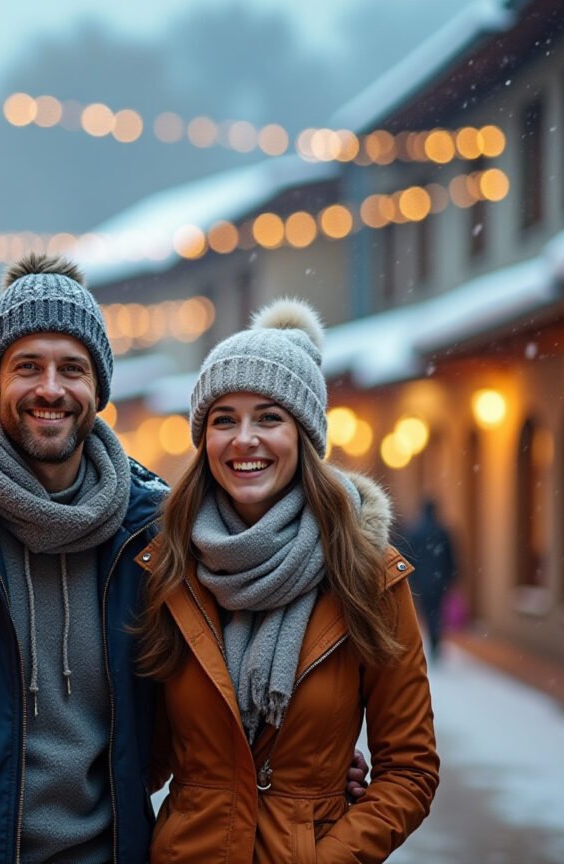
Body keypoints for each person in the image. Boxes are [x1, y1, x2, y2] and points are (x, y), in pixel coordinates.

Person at [0, 254, 369, 862]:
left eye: (72, 368)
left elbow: (204, 699)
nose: (51, 388)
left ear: (98, 390)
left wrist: (303, 755)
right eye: (28, 367)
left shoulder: (152, 542)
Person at [135, 299, 438, 863]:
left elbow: (411, 771)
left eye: (269, 417)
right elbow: (140, 755)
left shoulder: (365, 572)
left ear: (303, 435)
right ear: (205, 440)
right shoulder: (169, 568)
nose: (244, 439)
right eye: (224, 419)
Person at [402, 499, 458, 660]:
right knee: (437, 611)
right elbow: (451, 557)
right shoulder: (442, 531)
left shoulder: (415, 531)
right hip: (439, 581)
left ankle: (433, 639)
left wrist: (410, 577)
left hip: (421, 580)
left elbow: (408, 556)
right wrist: (453, 577)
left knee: (427, 611)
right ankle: (435, 641)